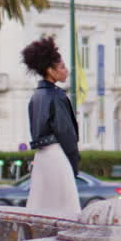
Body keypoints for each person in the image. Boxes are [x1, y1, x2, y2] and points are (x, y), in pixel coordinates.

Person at [21, 36, 81, 214]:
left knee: (40, 207)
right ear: (50, 71)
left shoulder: (35, 97)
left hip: (41, 157)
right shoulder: (57, 96)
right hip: (57, 154)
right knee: (68, 209)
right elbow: (66, 133)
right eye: (62, 67)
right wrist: (73, 161)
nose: (66, 70)